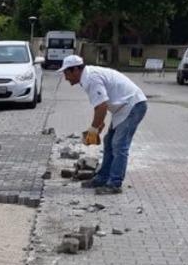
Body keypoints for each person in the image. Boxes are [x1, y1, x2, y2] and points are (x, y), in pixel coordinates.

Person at [59, 54, 148, 195]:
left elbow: (101, 106)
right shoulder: (87, 77)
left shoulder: (91, 78)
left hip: (133, 105)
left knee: (119, 144)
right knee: (109, 141)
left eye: (66, 73)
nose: (65, 77)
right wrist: (98, 125)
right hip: (122, 108)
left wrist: (93, 129)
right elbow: (102, 105)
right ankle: (102, 178)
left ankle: (114, 184)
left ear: (75, 69)